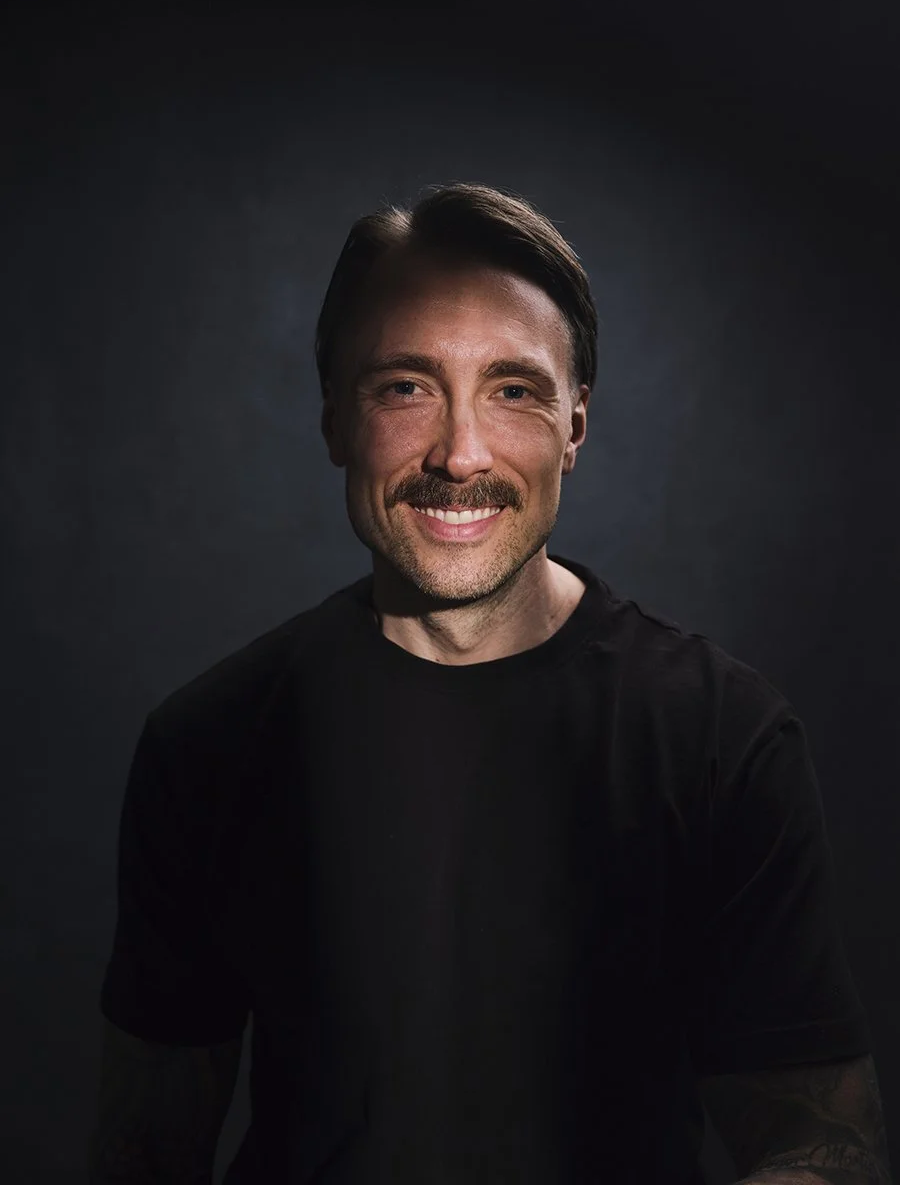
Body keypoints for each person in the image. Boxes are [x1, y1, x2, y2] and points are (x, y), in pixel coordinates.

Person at [89, 183, 875, 1184]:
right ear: (334, 417)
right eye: (404, 387)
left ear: (576, 426)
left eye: (514, 390)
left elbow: (823, 1141)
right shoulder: (209, 743)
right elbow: (144, 1152)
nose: (460, 455)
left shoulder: (725, 735)